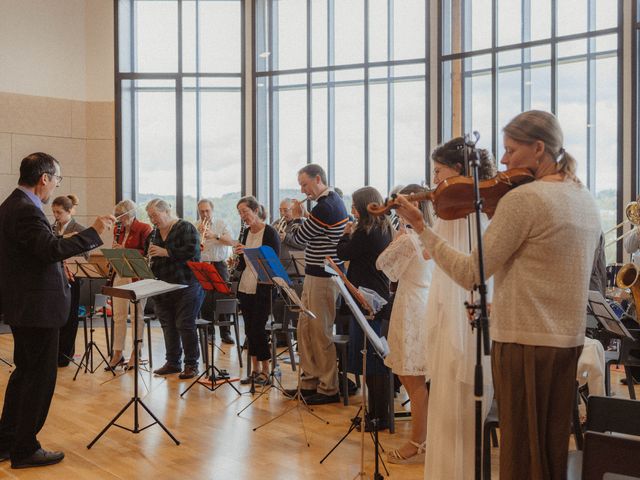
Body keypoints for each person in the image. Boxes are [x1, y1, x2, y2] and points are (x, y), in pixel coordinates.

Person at [396, 111, 602, 479]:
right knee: (548, 454)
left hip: (524, 344)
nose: (503, 160)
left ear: (539, 148)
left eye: (510, 149)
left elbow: (469, 272)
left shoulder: (527, 200)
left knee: (520, 457)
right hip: (565, 343)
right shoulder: (583, 195)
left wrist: (421, 229)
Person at [0, 152, 113, 469]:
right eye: (57, 180)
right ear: (44, 178)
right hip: (37, 308)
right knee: (39, 378)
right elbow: (49, 250)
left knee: (25, 375)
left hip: (27, 305)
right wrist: (92, 233)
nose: (55, 187)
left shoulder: (13, 206)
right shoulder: (26, 210)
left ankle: (7, 441)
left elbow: (35, 256)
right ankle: (25, 448)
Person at [417, 139, 496, 478]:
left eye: (438, 172)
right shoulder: (452, 214)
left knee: (458, 410)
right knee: (445, 409)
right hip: (448, 315)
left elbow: (465, 272)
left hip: (462, 324)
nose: (433, 180)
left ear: (460, 172)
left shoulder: (470, 215)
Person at [376, 184, 434, 463]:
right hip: (424, 304)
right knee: (417, 378)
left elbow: (382, 266)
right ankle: (423, 438)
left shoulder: (409, 239)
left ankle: (417, 442)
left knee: (413, 381)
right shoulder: (432, 237)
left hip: (410, 305)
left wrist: (397, 236)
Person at [285, 164, 349, 405]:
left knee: (320, 332)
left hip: (324, 277)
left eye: (305, 184)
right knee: (306, 330)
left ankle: (328, 387)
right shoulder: (324, 205)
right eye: (301, 186)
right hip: (315, 274)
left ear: (318, 179)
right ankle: (310, 380)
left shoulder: (327, 206)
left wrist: (297, 219)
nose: (303, 190)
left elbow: (298, 240)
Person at [337, 186, 393, 428]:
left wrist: (345, 233)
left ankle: (378, 415)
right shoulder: (385, 228)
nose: (352, 210)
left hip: (366, 298)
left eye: (354, 206)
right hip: (377, 294)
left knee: (371, 360)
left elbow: (343, 252)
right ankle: (377, 412)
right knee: (373, 359)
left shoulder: (365, 231)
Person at [146, 199, 204, 380]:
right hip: (162, 286)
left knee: (184, 324)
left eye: (155, 215)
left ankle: (191, 364)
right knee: (168, 325)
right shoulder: (153, 234)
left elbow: (192, 250)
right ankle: (172, 362)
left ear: (167, 211)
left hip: (187, 284)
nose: (152, 220)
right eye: (150, 217)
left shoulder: (185, 227)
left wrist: (166, 252)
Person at [233, 196, 280, 385]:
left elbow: (271, 261)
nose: (243, 216)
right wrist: (237, 259)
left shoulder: (270, 232)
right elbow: (244, 262)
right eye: (240, 213)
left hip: (264, 285)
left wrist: (247, 252)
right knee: (249, 329)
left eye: (245, 211)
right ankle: (255, 370)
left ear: (255, 210)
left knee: (258, 329)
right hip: (246, 285)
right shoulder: (245, 232)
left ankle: (267, 371)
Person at [107, 199, 153, 370]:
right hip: (120, 273)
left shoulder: (144, 228)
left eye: (121, 216)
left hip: (138, 276)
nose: (119, 219)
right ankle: (117, 352)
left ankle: (136, 352)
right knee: (118, 315)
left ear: (131, 213)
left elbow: (148, 253)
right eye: (117, 216)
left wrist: (125, 252)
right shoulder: (118, 230)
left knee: (136, 316)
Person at [51, 194, 87, 367]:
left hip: (72, 277)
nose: (56, 216)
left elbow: (84, 254)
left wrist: (66, 261)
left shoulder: (80, 228)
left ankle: (65, 354)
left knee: (70, 317)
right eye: (54, 212)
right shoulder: (51, 229)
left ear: (69, 211)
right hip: (54, 279)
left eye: (59, 212)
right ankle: (55, 353)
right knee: (55, 316)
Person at [197, 198, 236, 345]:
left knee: (223, 297)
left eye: (207, 210)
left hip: (219, 264)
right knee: (205, 300)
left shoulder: (221, 223)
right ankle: (209, 333)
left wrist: (214, 235)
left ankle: (225, 333)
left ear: (212, 210)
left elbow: (232, 241)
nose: (205, 214)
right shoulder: (196, 225)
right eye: (202, 211)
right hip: (204, 265)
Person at [273, 198, 304, 275]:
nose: (282, 213)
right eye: (280, 210)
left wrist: (286, 237)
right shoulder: (276, 223)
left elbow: (303, 244)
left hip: (295, 271)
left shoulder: (302, 223)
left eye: (285, 210)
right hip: (278, 269)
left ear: (293, 210)